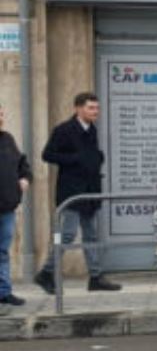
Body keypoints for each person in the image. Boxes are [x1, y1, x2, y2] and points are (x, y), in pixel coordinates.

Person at [34, 92, 120, 295]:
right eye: (91, 108)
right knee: (68, 234)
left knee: (91, 234)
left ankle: (96, 277)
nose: (95, 112)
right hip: (71, 192)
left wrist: (97, 157)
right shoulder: (64, 130)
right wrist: (75, 159)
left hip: (90, 190)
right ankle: (46, 273)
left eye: (97, 108)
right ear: (78, 108)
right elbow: (47, 155)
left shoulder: (92, 129)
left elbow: (90, 156)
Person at [0, 103, 31, 313]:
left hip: (7, 207)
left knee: (3, 252)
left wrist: (25, 178)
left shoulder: (7, 139)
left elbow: (23, 165)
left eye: (1, 113)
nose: (1, 117)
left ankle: (4, 292)